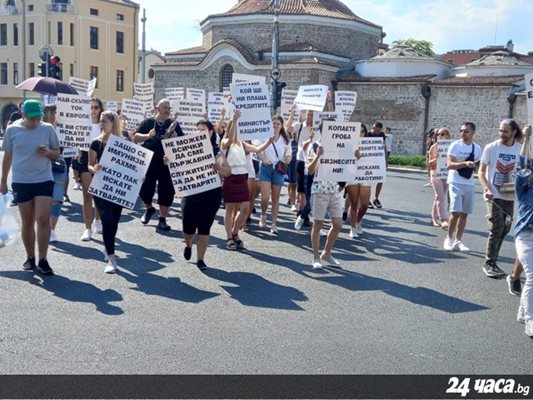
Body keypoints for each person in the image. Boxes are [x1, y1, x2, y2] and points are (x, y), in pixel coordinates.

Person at [0, 99, 60, 275]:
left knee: (42, 219)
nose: (35, 122)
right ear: (23, 115)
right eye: (32, 118)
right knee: (27, 222)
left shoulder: (48, 129)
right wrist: (3, 181)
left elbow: (57, 153)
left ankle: (43, 259)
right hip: (21, 181)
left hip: (44, 179)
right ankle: (30, 257)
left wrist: (48, 153)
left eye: (38, 118)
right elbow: (7, 157)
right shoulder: (12, 130)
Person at [178, 125, 231, 271]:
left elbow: (228, 171)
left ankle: (200, 259)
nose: (200, 132)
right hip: (191, 193)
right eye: (198, 129)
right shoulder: (187, 149)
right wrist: (168, 160)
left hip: (211, 195)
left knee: (204, 228)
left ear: (210, 132)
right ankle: (188, 244)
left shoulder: (217, 152)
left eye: (203, 129)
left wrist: (219, 168)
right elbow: (176, 165)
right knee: (188, 227)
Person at [220, 111, 274, 250]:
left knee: (245, 207)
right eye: (236, 127)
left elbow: (257, 149)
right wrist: (234, 120)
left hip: (242, 177)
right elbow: (230, 139)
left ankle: (235, 232)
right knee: (230, 208)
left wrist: (269, 141)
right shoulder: (225, 141)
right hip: (230, 177)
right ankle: (229, 237)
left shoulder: (242, 144)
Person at [478, 119, 522, 278]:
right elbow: (481, 172)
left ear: (514, 132)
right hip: (493, 195)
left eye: (505, 131)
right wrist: (486, 189)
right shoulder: (491, 148)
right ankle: (489, 263)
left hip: (510, 195)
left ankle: (493, 259)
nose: (501, 134)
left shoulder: (520, 149)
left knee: (505, 228)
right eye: (500, 131)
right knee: (496, 227)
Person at [134, 98, 182, 231]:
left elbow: (182, 144)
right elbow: (135, 137)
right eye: (165, 107)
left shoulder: (174, 124)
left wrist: (175, 138)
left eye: (169, 108)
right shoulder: (148, 122)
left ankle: (162, 219)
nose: (167, 110)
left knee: (166, 191)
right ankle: (149, 208)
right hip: (149, 162)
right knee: (145, 189)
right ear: (157, 109)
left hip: (166, 163)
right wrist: (147, 136)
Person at [88, 111, 125, 274]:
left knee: (114, 221)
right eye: (101, 121)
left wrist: (140, 177)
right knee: (107, 220)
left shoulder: (123, 143)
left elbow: (133, 167)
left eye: (104, 121)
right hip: (101, 187)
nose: (101, 124)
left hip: (119, 188)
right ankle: (111, 258)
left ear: (113, 123)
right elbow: (89, 165)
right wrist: (93, 169)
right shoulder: (95, 143)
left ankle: (107, 246)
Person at [307, 119, 344, 269]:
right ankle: (316, 257)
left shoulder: (338, 147)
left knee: (338, 224)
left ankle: (327, 253)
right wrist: (317, 156)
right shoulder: (314, 146)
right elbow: (309, 170)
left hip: (334, 190)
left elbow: (347, 165)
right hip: (319, 190)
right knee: (318, 224)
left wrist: (356, 155)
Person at [443, 122, 481, 252]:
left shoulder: (477, 148)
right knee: (455, 212)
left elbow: (480, 168)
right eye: (461, 131)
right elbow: (449, 164)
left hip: (469, 183)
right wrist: (465, 163)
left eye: (466, 131)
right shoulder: (455, 145)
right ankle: (448, 238)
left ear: (473, 132)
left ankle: (458, 241)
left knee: (465, 213)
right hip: (455, 181)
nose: (463, 133)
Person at [513, 123, 533, 337]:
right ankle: (530, 320)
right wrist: (526, 139)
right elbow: (521, 166)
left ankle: (522, 312)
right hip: (527, 235)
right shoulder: (525, 187)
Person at [257, 115, 292, 234]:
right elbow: (259, 150)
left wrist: (287, 159)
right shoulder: (265, 136)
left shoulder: (285, 139)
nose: (275, 126)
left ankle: (273, 224)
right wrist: (263, 158)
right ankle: (263, 214)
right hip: (266, 168)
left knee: (276, 198)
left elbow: (289, 153)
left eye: (278, 124)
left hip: (278, 169)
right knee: (265, 197)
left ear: (282, 126)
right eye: (274, 123)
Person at [77, 97, 103, 241]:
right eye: (91, 107)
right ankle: (87, 229)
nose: (93, 110)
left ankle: (97, 221)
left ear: (100, 109)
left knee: (98, 194)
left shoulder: (103, 124)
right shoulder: (81, 123)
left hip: (100, 158)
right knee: (87, 195)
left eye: (96, 107)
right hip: (85, 157)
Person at [42, 105, 67, 243]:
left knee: (57, 199)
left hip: (58, 166)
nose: (59, 114)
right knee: (43, 200)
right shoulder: (41, 129)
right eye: (56, 112)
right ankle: (44, 227)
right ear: (50, 114)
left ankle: (52, 230)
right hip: (42, 166)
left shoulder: (62, 128)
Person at [288, 109, 315, 229]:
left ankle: (303, 209)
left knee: (311, 187)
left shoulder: (318, 128)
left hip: (313, 160)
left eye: (312, 115)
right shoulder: (299, 126)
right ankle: (304, 212)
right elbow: (288, 128)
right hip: (301, 159)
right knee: (302, 188)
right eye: (308, 114)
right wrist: (292, 113)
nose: (309, 117)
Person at [346, 123, 371, 238]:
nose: (360, 134)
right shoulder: (349, 144)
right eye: (358, 132)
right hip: (352, 176)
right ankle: (352, 228)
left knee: (365, 204)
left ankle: (357, 220)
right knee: (354, 204)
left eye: (362, 132)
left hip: (365, 176)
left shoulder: (370, 145)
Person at [427, 128, 451, 229]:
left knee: (439, 197)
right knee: (440, 196)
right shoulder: (434, 147)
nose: (439, 136)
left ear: (447, 136)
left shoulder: (451, 147)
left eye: (442, 134)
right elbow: (429, 163)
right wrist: (436, 158)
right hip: (435, 173)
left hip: (445, 173)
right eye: (438, 135)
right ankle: (444, 219)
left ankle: (433, 218)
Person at [368, 121, 387, 208]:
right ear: (372, 127)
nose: (376, 132)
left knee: (380, 179)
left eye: (378, 131)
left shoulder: (382, 135)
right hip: (369, 160)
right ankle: (366, 199)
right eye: (375, 130)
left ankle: (376, 198)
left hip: (378, 160)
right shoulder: (368, 134)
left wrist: (385, 160)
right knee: (367, 180)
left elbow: (384, 146)